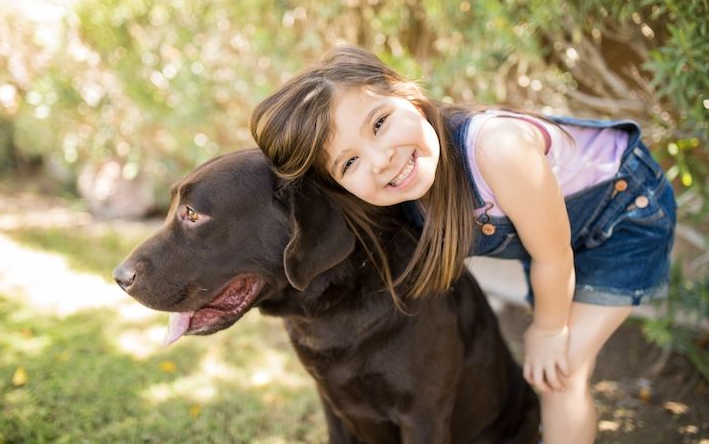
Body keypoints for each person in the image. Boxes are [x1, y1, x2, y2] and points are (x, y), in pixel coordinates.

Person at [249, 45, 676, 444]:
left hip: (624, 215)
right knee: (554, 370)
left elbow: (553, 253)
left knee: (561, 372)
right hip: (555, 236)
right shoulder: (401, 187)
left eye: (379, 123)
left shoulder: (497, 148)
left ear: (408, 95)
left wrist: (549, 328)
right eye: (350, 162)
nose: (381, 160)